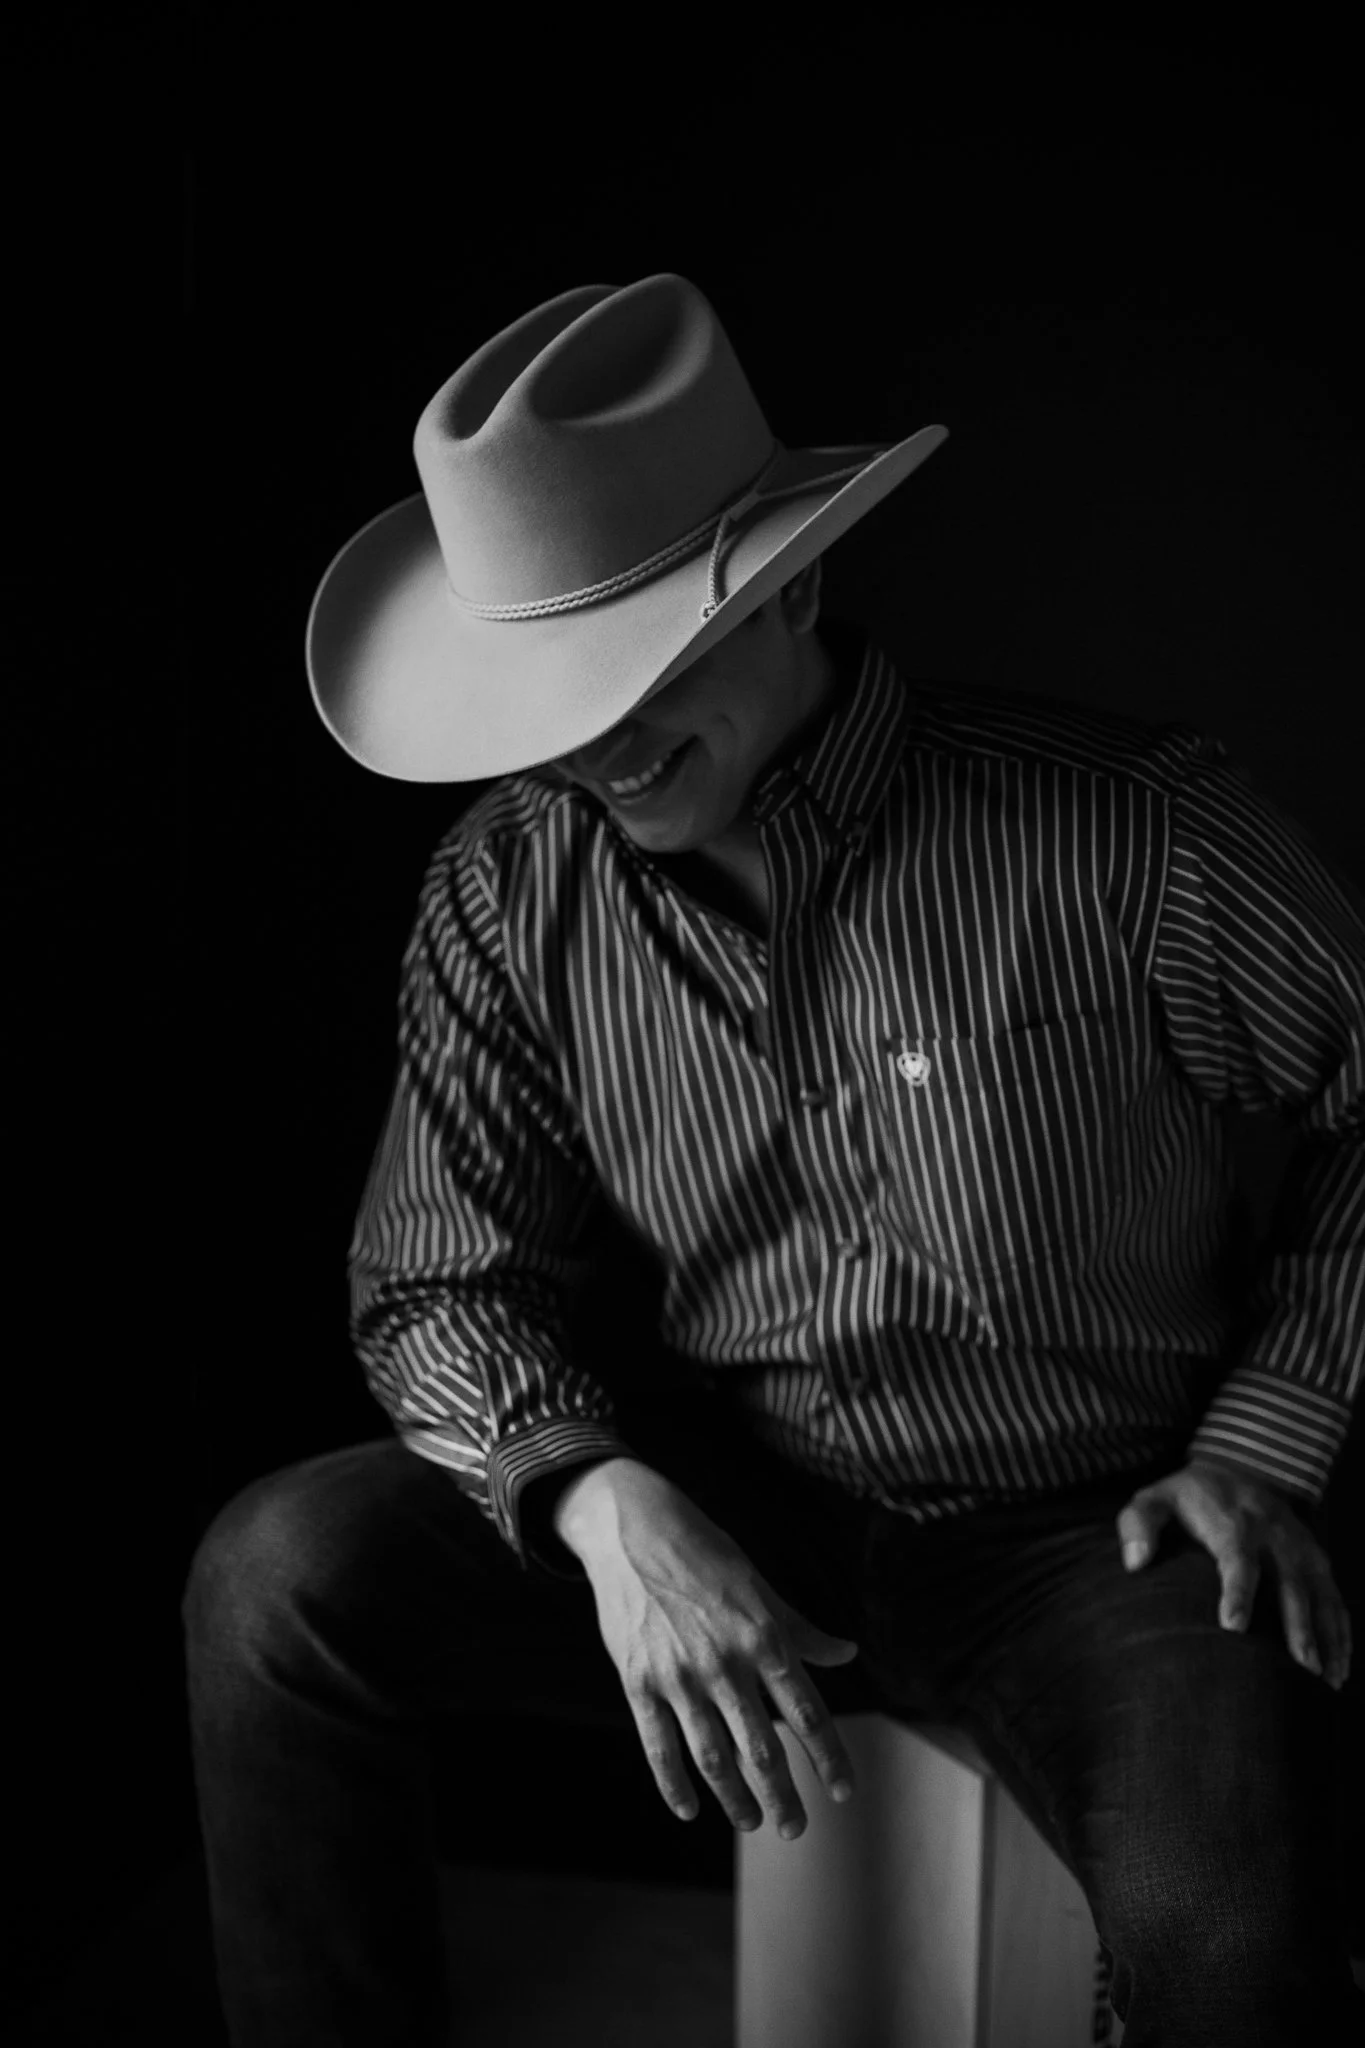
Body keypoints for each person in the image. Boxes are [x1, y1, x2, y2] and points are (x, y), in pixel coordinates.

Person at [183, 272, 1364, 2045]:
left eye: (641, 669)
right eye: (548, 693)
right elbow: (436, 1276)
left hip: (1092, 1536)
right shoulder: (509, 890)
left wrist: (1266, 1445)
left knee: (1235, 1947)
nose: (594, 743)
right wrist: (596, 1495)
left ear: (796, 578)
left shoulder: (1142, 834)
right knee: (275, 1583)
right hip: (735, 1495)